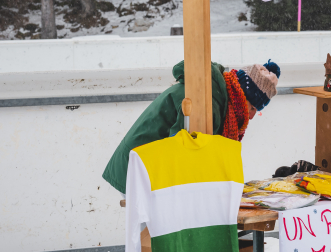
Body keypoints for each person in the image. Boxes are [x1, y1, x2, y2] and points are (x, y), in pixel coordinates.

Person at [102, 59, 280, 194]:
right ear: (242, 96)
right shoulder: (209, 103)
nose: (252, 116)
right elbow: (181, 150)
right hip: (139, 168)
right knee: (152, 239)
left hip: (147, 167)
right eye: (253, 107)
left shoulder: (218, 96)